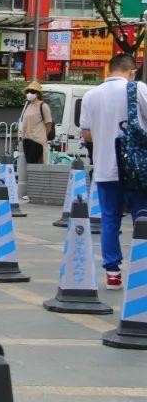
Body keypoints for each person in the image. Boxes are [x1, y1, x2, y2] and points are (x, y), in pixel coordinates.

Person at [78, 53, 147, 289]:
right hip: (138, 169)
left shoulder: (90, 95)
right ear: (132, 70)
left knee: (109, 220)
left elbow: (86, 133)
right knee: (143, 218)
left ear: (109, 70)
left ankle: (113, 273)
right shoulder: (138, 90)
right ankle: (142, 268)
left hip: (105, 167)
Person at [19, 80, 53, 164]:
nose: (29, 94)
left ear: (37, 94)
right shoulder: (28, 106)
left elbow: (48, 123)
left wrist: (43, 137)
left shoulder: (43, 106)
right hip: (26, 139)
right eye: (28, 92)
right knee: (29, 163)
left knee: (33, 163)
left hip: (37, 141)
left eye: (32, 92)